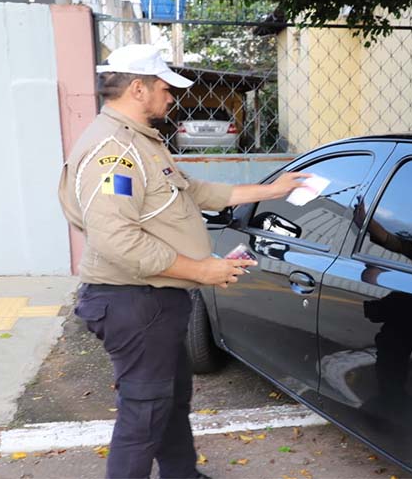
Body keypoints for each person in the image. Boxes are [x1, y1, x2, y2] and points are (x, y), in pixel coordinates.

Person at [57, 44, 308, 479]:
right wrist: (201, 269)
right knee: (145, 414)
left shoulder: (142, 143)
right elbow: (115, 238)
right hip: (134, 301)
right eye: (164, 88)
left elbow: (194, 191)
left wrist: (272, 190)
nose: (172, 97)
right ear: (138, 89)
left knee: (171, 400)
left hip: (157, 299)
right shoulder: (113, 151)